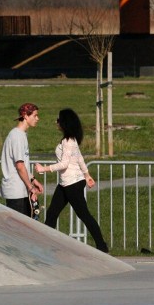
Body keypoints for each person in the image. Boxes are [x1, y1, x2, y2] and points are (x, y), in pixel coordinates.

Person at [35, 108, 108, 253]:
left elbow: (64, 164)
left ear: (65, 123)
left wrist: (44, 168)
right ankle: (43, 246)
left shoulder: (68, 141)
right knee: (52, 214)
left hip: (72, 184)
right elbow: (80, 158)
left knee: (84, 214)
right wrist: (87, 175)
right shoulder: (71, 139)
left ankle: (102, 246)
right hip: (66, 183)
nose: (56, 122)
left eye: (59, 120)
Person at [0, 103, 43, 218]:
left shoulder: (21, 135)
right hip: (15, 191)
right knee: (17, 230)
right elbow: (19, 166)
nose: (37, 119)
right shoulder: (17, 136)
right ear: (25, 116)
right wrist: (30, 187)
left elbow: (22, 165)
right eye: (35, 115)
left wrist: (33, 180)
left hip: (20, 189)